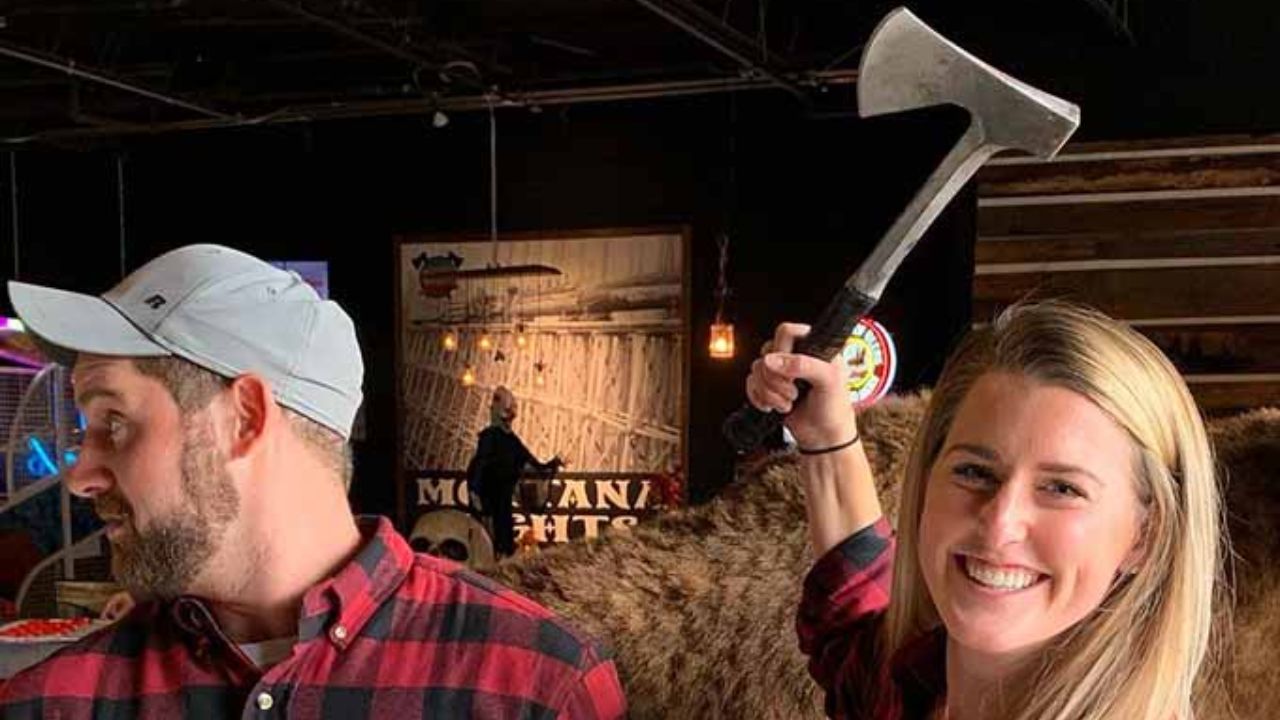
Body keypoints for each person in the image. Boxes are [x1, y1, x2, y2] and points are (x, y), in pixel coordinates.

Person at [0, 244, 625, 719]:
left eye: (115, 421)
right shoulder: (53, 703)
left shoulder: (535, 686)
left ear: (243, 418)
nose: (79, 474)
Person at [745, 300, 1226, 720]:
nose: (1000, 522)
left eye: (1061, 488)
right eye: (975, 472)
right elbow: (852, 624)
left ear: (1147, 535)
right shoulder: (915, 685)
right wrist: (826, 436)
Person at [467, 386, 562, 557]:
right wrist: (475, 492)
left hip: (501, 497)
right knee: (489, 537)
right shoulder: (492, 437)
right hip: (488, 497)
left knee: (502, 536)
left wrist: (552, 464)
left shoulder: (509, 439)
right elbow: (480, 465)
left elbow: (533, 463)